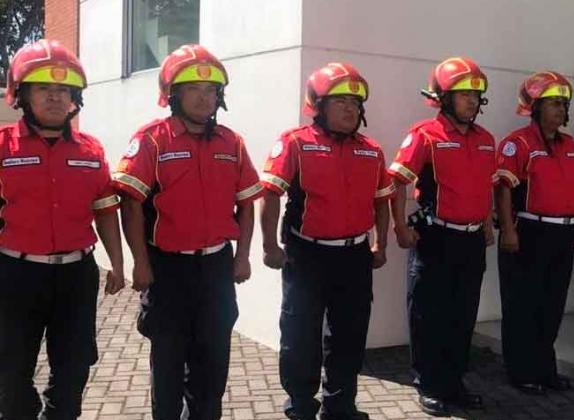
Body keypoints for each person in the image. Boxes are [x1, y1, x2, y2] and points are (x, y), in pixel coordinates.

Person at [113, 44, 263, 419]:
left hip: (216, 269)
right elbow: (130, 204)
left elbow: (247, 204)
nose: (204, 96)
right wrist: (139, 264)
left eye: (211, 90)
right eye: (194, 89)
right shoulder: (152, 140)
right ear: (173, 95)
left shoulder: (233, 142)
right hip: (167, 271)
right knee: (167, 366)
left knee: (212, 368)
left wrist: (243, 256)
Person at [260, 62, 393, 420]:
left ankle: (340, 404)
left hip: (355, 257)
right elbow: (270, 194)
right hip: (307, 256)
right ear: (317, 105)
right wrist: (270, 246)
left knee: (350, 333)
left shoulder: (372, 150)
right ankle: (301, 404)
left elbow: (382, 200)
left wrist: (380, 243)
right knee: (300, 332)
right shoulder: (295, 143)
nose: (350, 108)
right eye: (340, 101)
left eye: (355, 102)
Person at [0, 39, 125, 419]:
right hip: (14, 276)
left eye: (63, 90)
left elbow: (105, 211)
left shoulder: (91, 150)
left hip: (76, 276)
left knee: (73, 370)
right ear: (21, 95)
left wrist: (118, 265)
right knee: (9, 373)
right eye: (43, 89)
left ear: (75, 98)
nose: (55, 98)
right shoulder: (3, 147)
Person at [388, 56, 496, 416]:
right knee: (428, 314)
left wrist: (486, 222)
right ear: (443, 98)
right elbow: (396, 182)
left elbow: (486, 186)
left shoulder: (485, 139)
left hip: (470, 242)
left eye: (476, 95)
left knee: (462, 315)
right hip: (435, 239)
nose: (471, 101)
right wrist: (400, 227)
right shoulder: (424, 134)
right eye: (463, 94)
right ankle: (429, 383)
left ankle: (454, 382)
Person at [496, 71, 574, 395]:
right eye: (553, 104)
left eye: (564, 104)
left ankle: (545, 368)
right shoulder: (517, 143)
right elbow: (504, 189)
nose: (561, 110)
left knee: (552, 305)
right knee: (523, 304)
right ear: (534, 107)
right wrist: (508, 229)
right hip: (528, 232)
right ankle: (520, 371)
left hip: (562, 234)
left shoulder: (573, 145)